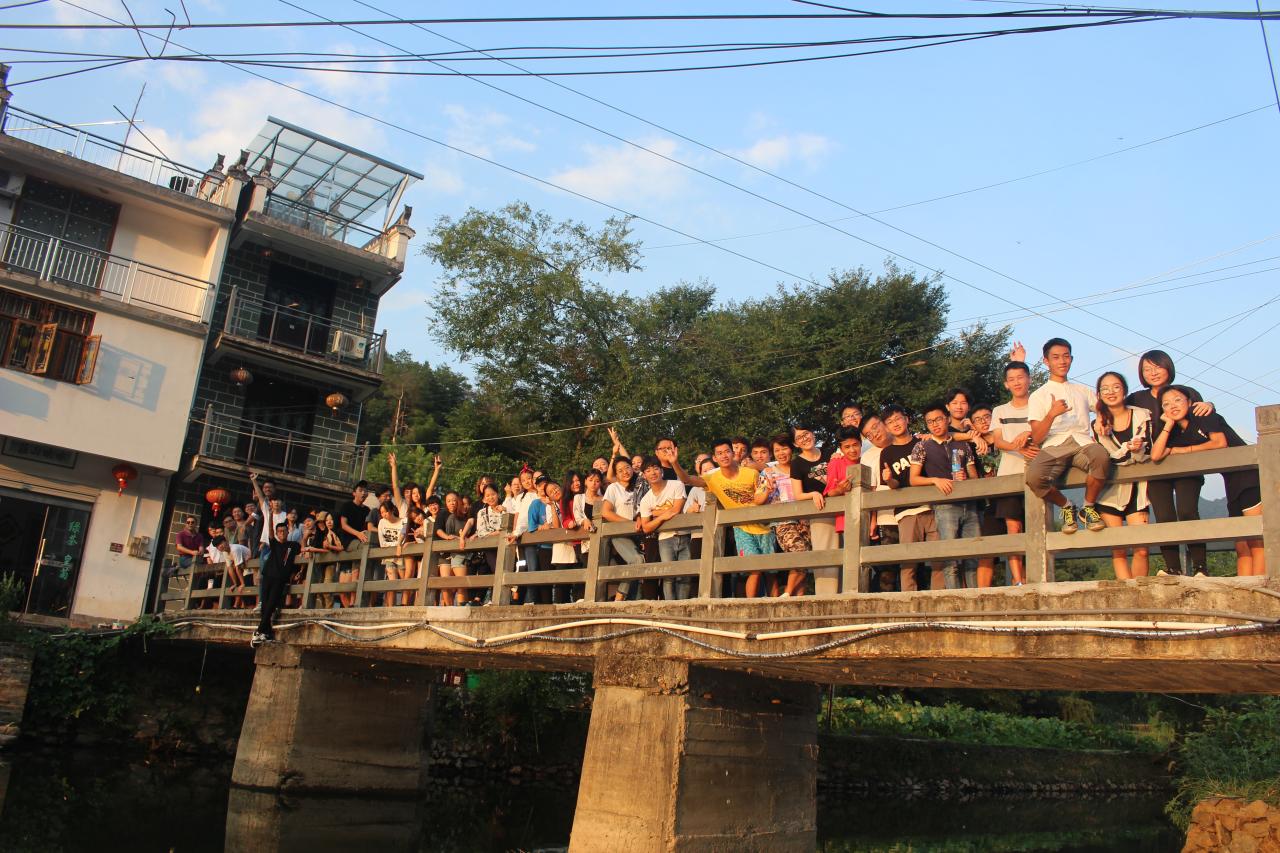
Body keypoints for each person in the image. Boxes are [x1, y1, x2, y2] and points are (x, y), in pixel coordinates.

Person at [1151, 385, 1264, 576]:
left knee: (1255, 540)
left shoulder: (1202, 414)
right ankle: (1244, 587)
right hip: (1231, 483)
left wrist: (1184, 451)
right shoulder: (1177, 432)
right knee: (1241, 543)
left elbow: (1220, 442)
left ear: (1190, 402)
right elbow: (1156, 455)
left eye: (1177, 400)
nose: (1172, 406)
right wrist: (1168, 424)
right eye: (1166, 404)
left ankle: (1261, 584)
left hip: (1249, 478)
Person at [1126, 350, 1214, 575]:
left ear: (1168, 367)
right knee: (1164, 516)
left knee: (1187, 511)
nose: (1153, 372)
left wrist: (1210, 404)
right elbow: (1115, 415)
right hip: (1154, 464)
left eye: (1157, 367)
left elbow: (1205, 421)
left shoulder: (1186, 392)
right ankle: (1173, 568)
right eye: (1147, 369)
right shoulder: (1136, 399)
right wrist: (1100, 421)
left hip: (1186, 461)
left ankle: (1200, 567)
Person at [1026, 338, 1112, 535]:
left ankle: (1088, 507)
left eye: (1066, 356)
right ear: (1046, 361)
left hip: (1083, 443)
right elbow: (1037, 437)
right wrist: (1051, 414)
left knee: (1101, 457)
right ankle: (1066, 506)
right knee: (1034, 478)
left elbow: (1104, 407)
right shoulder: (1039, 395)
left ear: (1071, 359)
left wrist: (1101, 417)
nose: (1062, 361)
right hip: (1055, 445)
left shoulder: (1082, 390)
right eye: (1056, 357)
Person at [672, 439, 771, 598]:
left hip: (763, 526)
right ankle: (751, 604)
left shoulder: (751, 473)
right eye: (719, 453)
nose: (724, 456)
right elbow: (687, 480)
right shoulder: (712, 478)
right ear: (715, 458)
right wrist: (674, 463)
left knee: (771, 570)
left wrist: (767, 491)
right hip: (741, 529)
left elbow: (760, 499)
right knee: (754, 568)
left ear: (733, 453)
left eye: (727, 451)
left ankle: (772, 602)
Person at [910, 403, 980, 589]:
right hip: (944, 506)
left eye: (938, 419)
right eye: (930, 422)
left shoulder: (963, 444)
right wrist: (935, 480)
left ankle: (975, 599)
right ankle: (954, 600)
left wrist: (966, 478)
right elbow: (914, 479)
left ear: (947, 419)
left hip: (969, 504)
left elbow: (974, 476)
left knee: (973, 558)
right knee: (951, 560)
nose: (935, 424)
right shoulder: (922, 446)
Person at [1093, 371, 1153, 580]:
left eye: (1116, 387)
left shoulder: (1142, 415)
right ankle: (1126, 592)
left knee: (1141, 548)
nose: (1111, 392)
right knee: (1118, 548)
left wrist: (1136, 450)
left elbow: (1146, 449)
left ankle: (1140, 593)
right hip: (1110, 491)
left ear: (1125, 391)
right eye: (1105, 388)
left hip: (1139, 490)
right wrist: (1131, 448)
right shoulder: (1098, 425)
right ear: (1099, 395)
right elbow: (1109, 459)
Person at [880, 405, 937, 591]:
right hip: (906, 511)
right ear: (886, 427)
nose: (895, 424)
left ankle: (941, 596)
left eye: (898, 418)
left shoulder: (923, 442)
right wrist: (888, 479)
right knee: (908, 562)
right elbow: (894, 485)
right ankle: (908, 599)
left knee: (940, 557)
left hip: (932, 506)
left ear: (907, 419)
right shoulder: (887, 453)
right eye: (890, 422)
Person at [990, 356, 1037, 585]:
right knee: (1013, 527)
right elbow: (998, 441)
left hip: (1036, 473)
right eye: (1012, 379)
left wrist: (1029, 437)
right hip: (1008, 474)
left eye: (1020, 377)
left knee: (1036, 525)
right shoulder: (1000, 410)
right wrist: (1020, 447)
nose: (1017, 382)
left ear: (1029, 379)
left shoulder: (1039, 407)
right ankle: (1019, 580)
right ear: (1006, 384)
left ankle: (1037, 576)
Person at [768, 434, 820, 598]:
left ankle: (799, 599)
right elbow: (759, 496)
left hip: (804, 518)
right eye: (777, 450)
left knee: (805, 559)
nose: (781, 453)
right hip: (782, 520)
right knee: (799, 551)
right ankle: (788, 593)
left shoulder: (800, 466)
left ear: (792, 449)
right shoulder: (769, 471)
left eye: (784, 448)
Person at [791, 423, 837, 595]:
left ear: (812, 433)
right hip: (820, 512)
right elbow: (798, 494)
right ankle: (826, 597)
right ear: (795, 444)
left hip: (842, 509)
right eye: (799, 438)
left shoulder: (829, 453)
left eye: (806, 434)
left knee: (847, 549)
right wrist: (813, 494)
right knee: (825, 554)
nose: (805, 439)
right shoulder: (797, 464)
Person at [639, 454, 692, 600]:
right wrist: (662, 517)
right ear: (644, 475)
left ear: (661, 470)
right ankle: (670, 605)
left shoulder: (676, 485)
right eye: (648, 470)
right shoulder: (645, 500)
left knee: (685, 574)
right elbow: (646, 527)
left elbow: (676, 510)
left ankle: (683, 605)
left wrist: (655, 513)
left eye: (655, 468)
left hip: (684, 534)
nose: (653, 472)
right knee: (668, 576)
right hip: (664, 538)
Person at [825, 426, 865, 587]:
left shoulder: (867, 459)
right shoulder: (836, 463)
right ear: (841, 448)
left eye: (855, 445)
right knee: (851, 563)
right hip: (846, 520)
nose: (852, 450)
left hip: (869, 518)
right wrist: (840, 490)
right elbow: (829, 493)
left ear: (861, 444)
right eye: (847, 447)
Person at [251, 522, 302, 648]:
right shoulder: (274, 544)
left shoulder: (294, 545)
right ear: (277, 533)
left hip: (280, 578)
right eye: (279, 531)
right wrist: (270, 516)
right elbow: (270, 533)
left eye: (284, 530)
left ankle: (259, 631)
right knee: (264, 605)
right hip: (268, 575)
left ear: (288, 532)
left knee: (271, 603)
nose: (282, 533)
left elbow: (302, 552)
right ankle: (266, 633)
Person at [602, 458, 644, 601]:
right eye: (620, 470)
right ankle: (620, 596)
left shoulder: (640, 485)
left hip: (640, 534)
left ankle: (633, 602)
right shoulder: (613, 488)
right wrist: (629, 523)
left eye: (627, 467)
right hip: (620, 534)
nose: (625, 472)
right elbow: (606, 512)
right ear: (616, 474)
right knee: (637, 560)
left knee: (641, 568)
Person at [438, 492, 473, 606]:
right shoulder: (450, 517)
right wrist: (459, 538)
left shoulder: (471, 517)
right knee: (457, 584)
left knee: (463, 585)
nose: (464, 506)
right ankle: (454, 608)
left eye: (467, 504)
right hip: (455, 554)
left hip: (471, 554)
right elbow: (448, 535)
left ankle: (462, 607)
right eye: (462, 504)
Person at [376, 502, 405, 607]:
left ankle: (405, 605)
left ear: (392, 510)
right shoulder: (382, 522)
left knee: (405, 582)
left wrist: (396, 544)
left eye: (385, 512)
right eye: (381, 512)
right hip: (388, 556)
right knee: (392, 582)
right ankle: (390, 607)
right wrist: (397, 544)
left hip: (402, 556)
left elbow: (404, 539)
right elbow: (382, 543)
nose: (383, 514)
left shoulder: (403, 521)